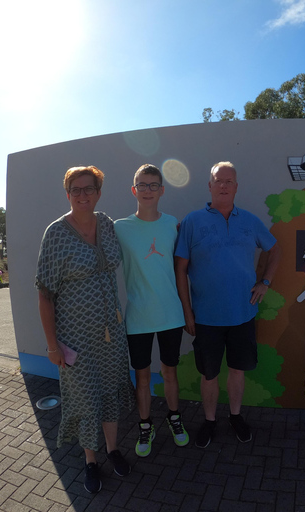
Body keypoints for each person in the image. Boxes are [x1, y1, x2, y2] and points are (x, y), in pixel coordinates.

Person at [36, 165, 135, 494]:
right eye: (75, 190)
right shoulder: (56, 234)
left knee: (109, 394)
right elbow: (44, 294)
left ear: (98, 193)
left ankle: (113, 449)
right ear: (67, 194)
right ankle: (90, 461)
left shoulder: (106, 224)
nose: (82, 195)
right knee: (84, 400)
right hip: (75, 340)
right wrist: (52, 346)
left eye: (88, 189)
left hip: (111, 335)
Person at [175, 161, 281, 448]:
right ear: (209, 185)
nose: (223, 185)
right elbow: (180, 269)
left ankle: (235, 417)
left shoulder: (249, 220)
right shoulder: (192, 221)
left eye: (229, 181)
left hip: (243, 314)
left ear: (236, 187)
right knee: (209, 374)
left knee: (237, 370)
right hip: (206, 317)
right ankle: (210, 421)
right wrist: (187, 312)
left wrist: (265, 282)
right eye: (218, 180)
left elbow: (274, 248)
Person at [114, 164, 189, 455]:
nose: (147, 190)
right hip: (138, 318)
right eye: (142, 185)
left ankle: (174, 419)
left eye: (153, 185)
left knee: (170, 373)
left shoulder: (173, 224)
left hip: (170, 314)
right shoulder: (119, 227)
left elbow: (184, 267)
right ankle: (146, 425)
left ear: (162, 190)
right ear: (134, 190)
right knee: (142, 377)